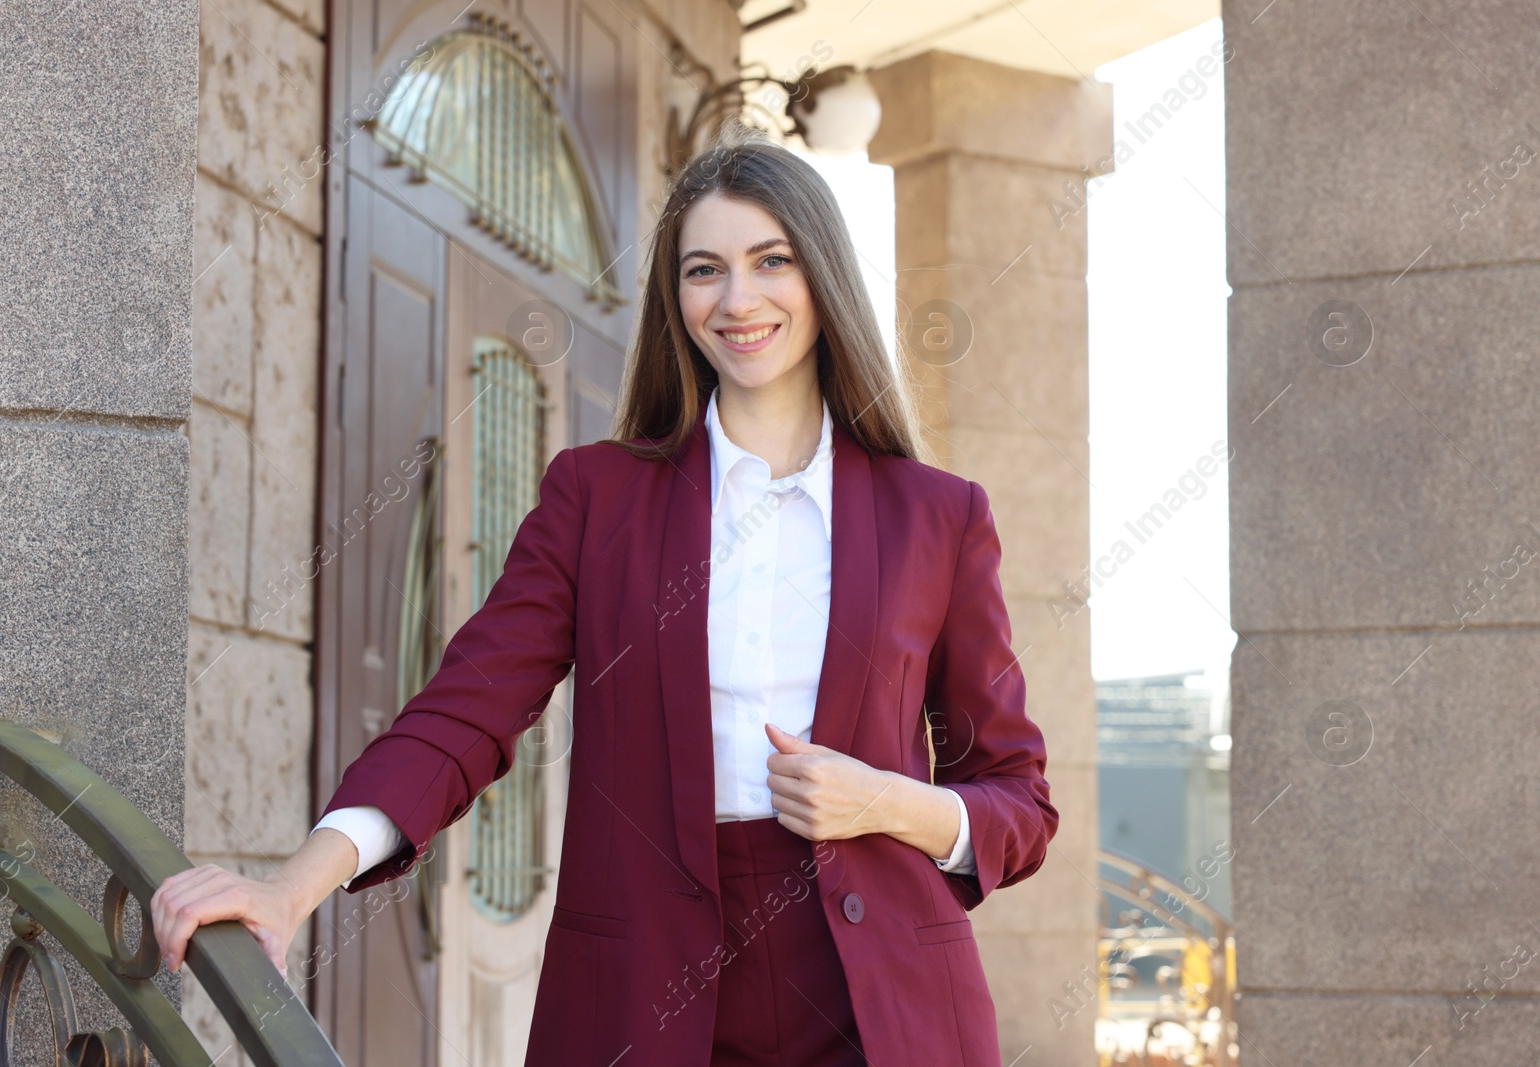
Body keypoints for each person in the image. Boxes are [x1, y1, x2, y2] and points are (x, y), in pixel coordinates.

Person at [151, 124, 1058, 1066]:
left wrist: (886, 801)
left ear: (822, 275)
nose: (737, 299)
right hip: (645, 998)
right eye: (704, 270)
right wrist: (292, 887)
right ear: (676, 298)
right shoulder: (598, 496)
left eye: (771, 261)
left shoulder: (938, 516)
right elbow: (467, 711)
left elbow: (1018, 799)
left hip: (883, 1007)